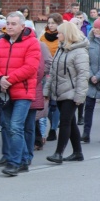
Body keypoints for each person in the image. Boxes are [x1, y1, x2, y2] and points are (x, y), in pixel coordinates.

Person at [0, 12, 41, 176]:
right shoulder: (0, 42)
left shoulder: (32, 42)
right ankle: (23, 160)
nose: (9, 27)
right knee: (9, 126)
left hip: (23, 92)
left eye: (13, 24)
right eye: (8, 23)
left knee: (16, 127)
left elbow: (30, 68)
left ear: (22, 26)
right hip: (5, 92)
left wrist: (8, 80)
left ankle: (14, 162)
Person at [44, 21, 90, 164]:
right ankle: (78, 153)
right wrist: (47, 90)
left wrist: (79, 96)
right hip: (59, 92)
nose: (57, 35)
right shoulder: (61, 48)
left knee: (64, 122)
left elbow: (83, 75)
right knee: (71, 122)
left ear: (67, 34)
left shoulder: (80, 51)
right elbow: (53, 72)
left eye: (60, 33)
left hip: (71, 93)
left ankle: (58, 153)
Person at [40, 13, 64, 142]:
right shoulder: (42, 37)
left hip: (59, 73)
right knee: (46, 103)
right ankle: (48, 124)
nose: (50, 25)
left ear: (58, 24)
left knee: (55, 103)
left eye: (53, 23)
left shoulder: (62, 37)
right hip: (45, 74)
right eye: (49, 23)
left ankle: (53, 129)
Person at [81, 19, 100, 143]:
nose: (95, 29)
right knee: (88, 107)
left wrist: (97, 76)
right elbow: (85, 60)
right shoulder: (89, 43)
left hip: (97, 78)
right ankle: (86, 133)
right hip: (91, 80)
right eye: (94, 27)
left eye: (97, 28)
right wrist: (90, 75)